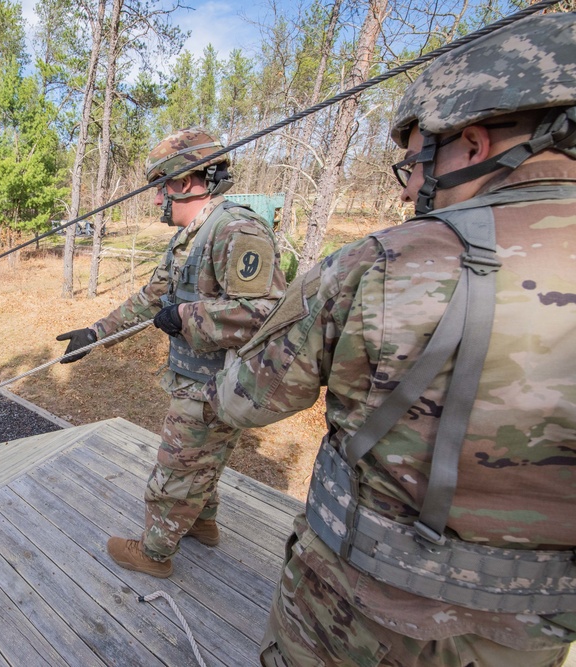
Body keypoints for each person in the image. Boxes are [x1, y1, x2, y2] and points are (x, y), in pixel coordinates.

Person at [209, 13, 576, 666]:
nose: (408, 187)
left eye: (411, 163)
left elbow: (243, 399)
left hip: (347, 619)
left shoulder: (385, 261)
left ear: (471, 143)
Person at [57, 128, 286, 577]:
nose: (160, 196)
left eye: (162, 185)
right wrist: (95, 333)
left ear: (184, 182)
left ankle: (155, 554)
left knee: (177, 469)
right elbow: (152, 296)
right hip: (196, 379)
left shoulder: (236, 229)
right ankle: (203, 524)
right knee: (202, 462)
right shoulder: (189, 238)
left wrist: (187, 317)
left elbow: (266, 311)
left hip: (217, 383)